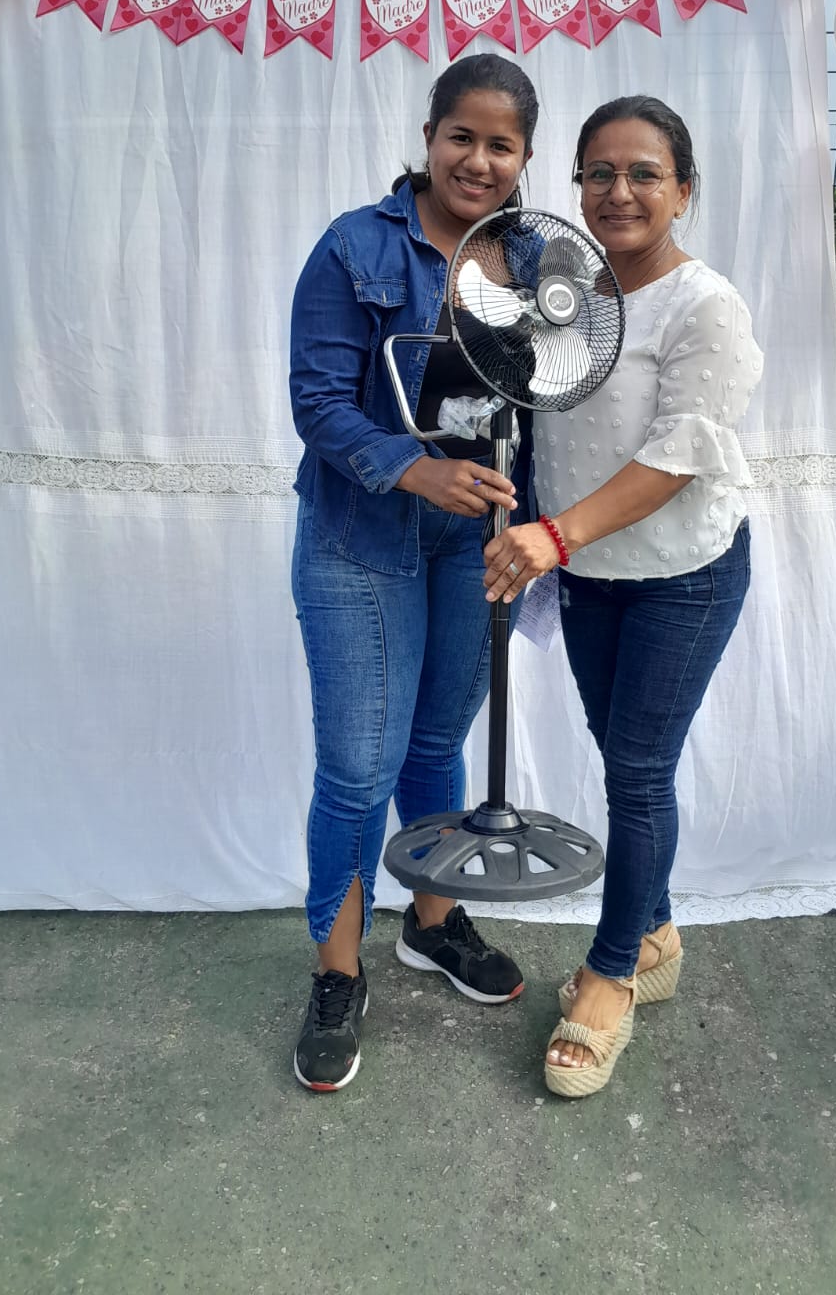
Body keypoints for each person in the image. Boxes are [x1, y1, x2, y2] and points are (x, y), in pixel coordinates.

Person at [481, 95, 763, 1098]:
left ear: (684, 190)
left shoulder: (705, 307)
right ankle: (655, 932)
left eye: (645, 172)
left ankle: (608, 978)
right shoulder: (574, 297)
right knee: (628, 763)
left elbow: (679, 457)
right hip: (592, 576)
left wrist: (553, 536)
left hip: (683, 576)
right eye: (598, 172)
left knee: (637, 772)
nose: (620, 191)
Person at [288, 54, 540, 1093]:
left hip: (476, 542)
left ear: (524, 157)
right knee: (358, 767)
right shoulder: (355, 246)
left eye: (501, 145)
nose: (478, 161)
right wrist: (414, 467)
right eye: (460, 137)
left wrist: (540, 529)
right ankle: (336, 970)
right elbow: (316, 402)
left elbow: (555, 400)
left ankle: (432, 924)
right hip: (361, 536)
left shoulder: (539, 259)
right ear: (429, 137)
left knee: (437, 743)